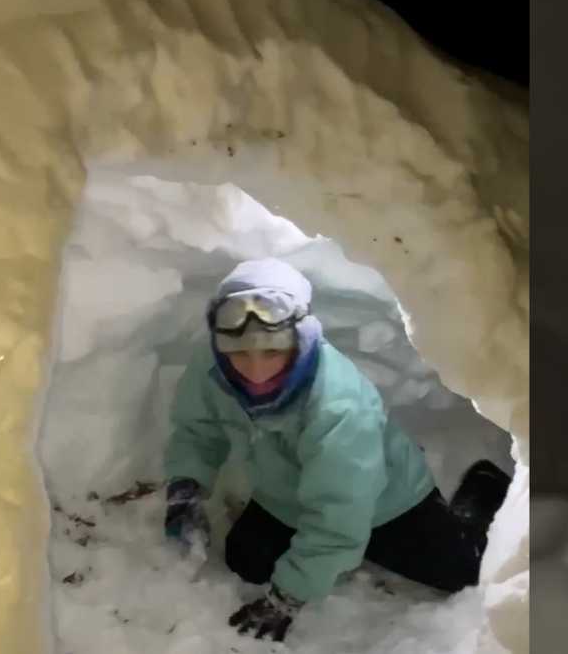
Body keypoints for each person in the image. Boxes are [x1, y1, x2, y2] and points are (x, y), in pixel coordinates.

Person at [161, 258, 511, 642]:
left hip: (386, 503)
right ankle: (334, 556)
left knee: (467, 573)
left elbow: (339, 517)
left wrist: (286, 598)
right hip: (286, 496)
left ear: (299, 341)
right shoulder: (214, 368)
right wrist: (186, 489)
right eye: (241, 354)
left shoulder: (339, 404)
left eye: (273, 352)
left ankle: (479, 492)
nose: (255, 371)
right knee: (246, 562)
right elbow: (198, 428)